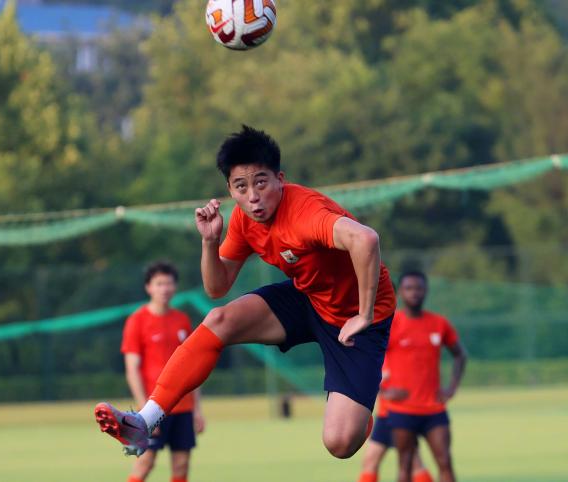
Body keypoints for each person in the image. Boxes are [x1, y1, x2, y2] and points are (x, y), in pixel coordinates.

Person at [95, 125, 396, 460]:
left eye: (261, 182)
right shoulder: (243, 219)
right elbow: (217, 287)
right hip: (309, 297)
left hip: (358, 318)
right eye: (241, 186)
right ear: (230, 189)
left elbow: (365, 239)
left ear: (280, 179)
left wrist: (364, 314)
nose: (253, 196)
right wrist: (210, 242)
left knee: (339, 444)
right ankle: (144, 421)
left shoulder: (305, 212)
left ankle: (358, 418)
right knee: (219, 319)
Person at [118, 262, 205, 482]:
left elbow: (193, 366)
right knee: (145, 462)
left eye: (169, 283)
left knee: (182, 463)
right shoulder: (137, 321)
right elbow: (132, 369)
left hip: (183, 405)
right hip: (153, 405)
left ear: (175, 287)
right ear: (148, 287)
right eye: (159, 284)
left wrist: (197, 409)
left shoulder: (182, 320)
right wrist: (143, 411)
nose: (165, 289)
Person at [384, 271, 467, 482]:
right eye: (409, 288)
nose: (414, 293)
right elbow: (368, 359)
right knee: (405, 465)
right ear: (400, 292)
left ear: (426, 291)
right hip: (402, 409)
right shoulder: (391, 324)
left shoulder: (439, 323)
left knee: (445, 461)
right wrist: (382, 389)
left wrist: (451, 388)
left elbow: (460, 355)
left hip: (434, 408)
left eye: (419, 288)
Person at [358, 370, 433, 482]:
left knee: (415, 464)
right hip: (385, 416)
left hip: (403, 415)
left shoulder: (402, 361)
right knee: (370, 461)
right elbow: (368, 382)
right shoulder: (380, 360)